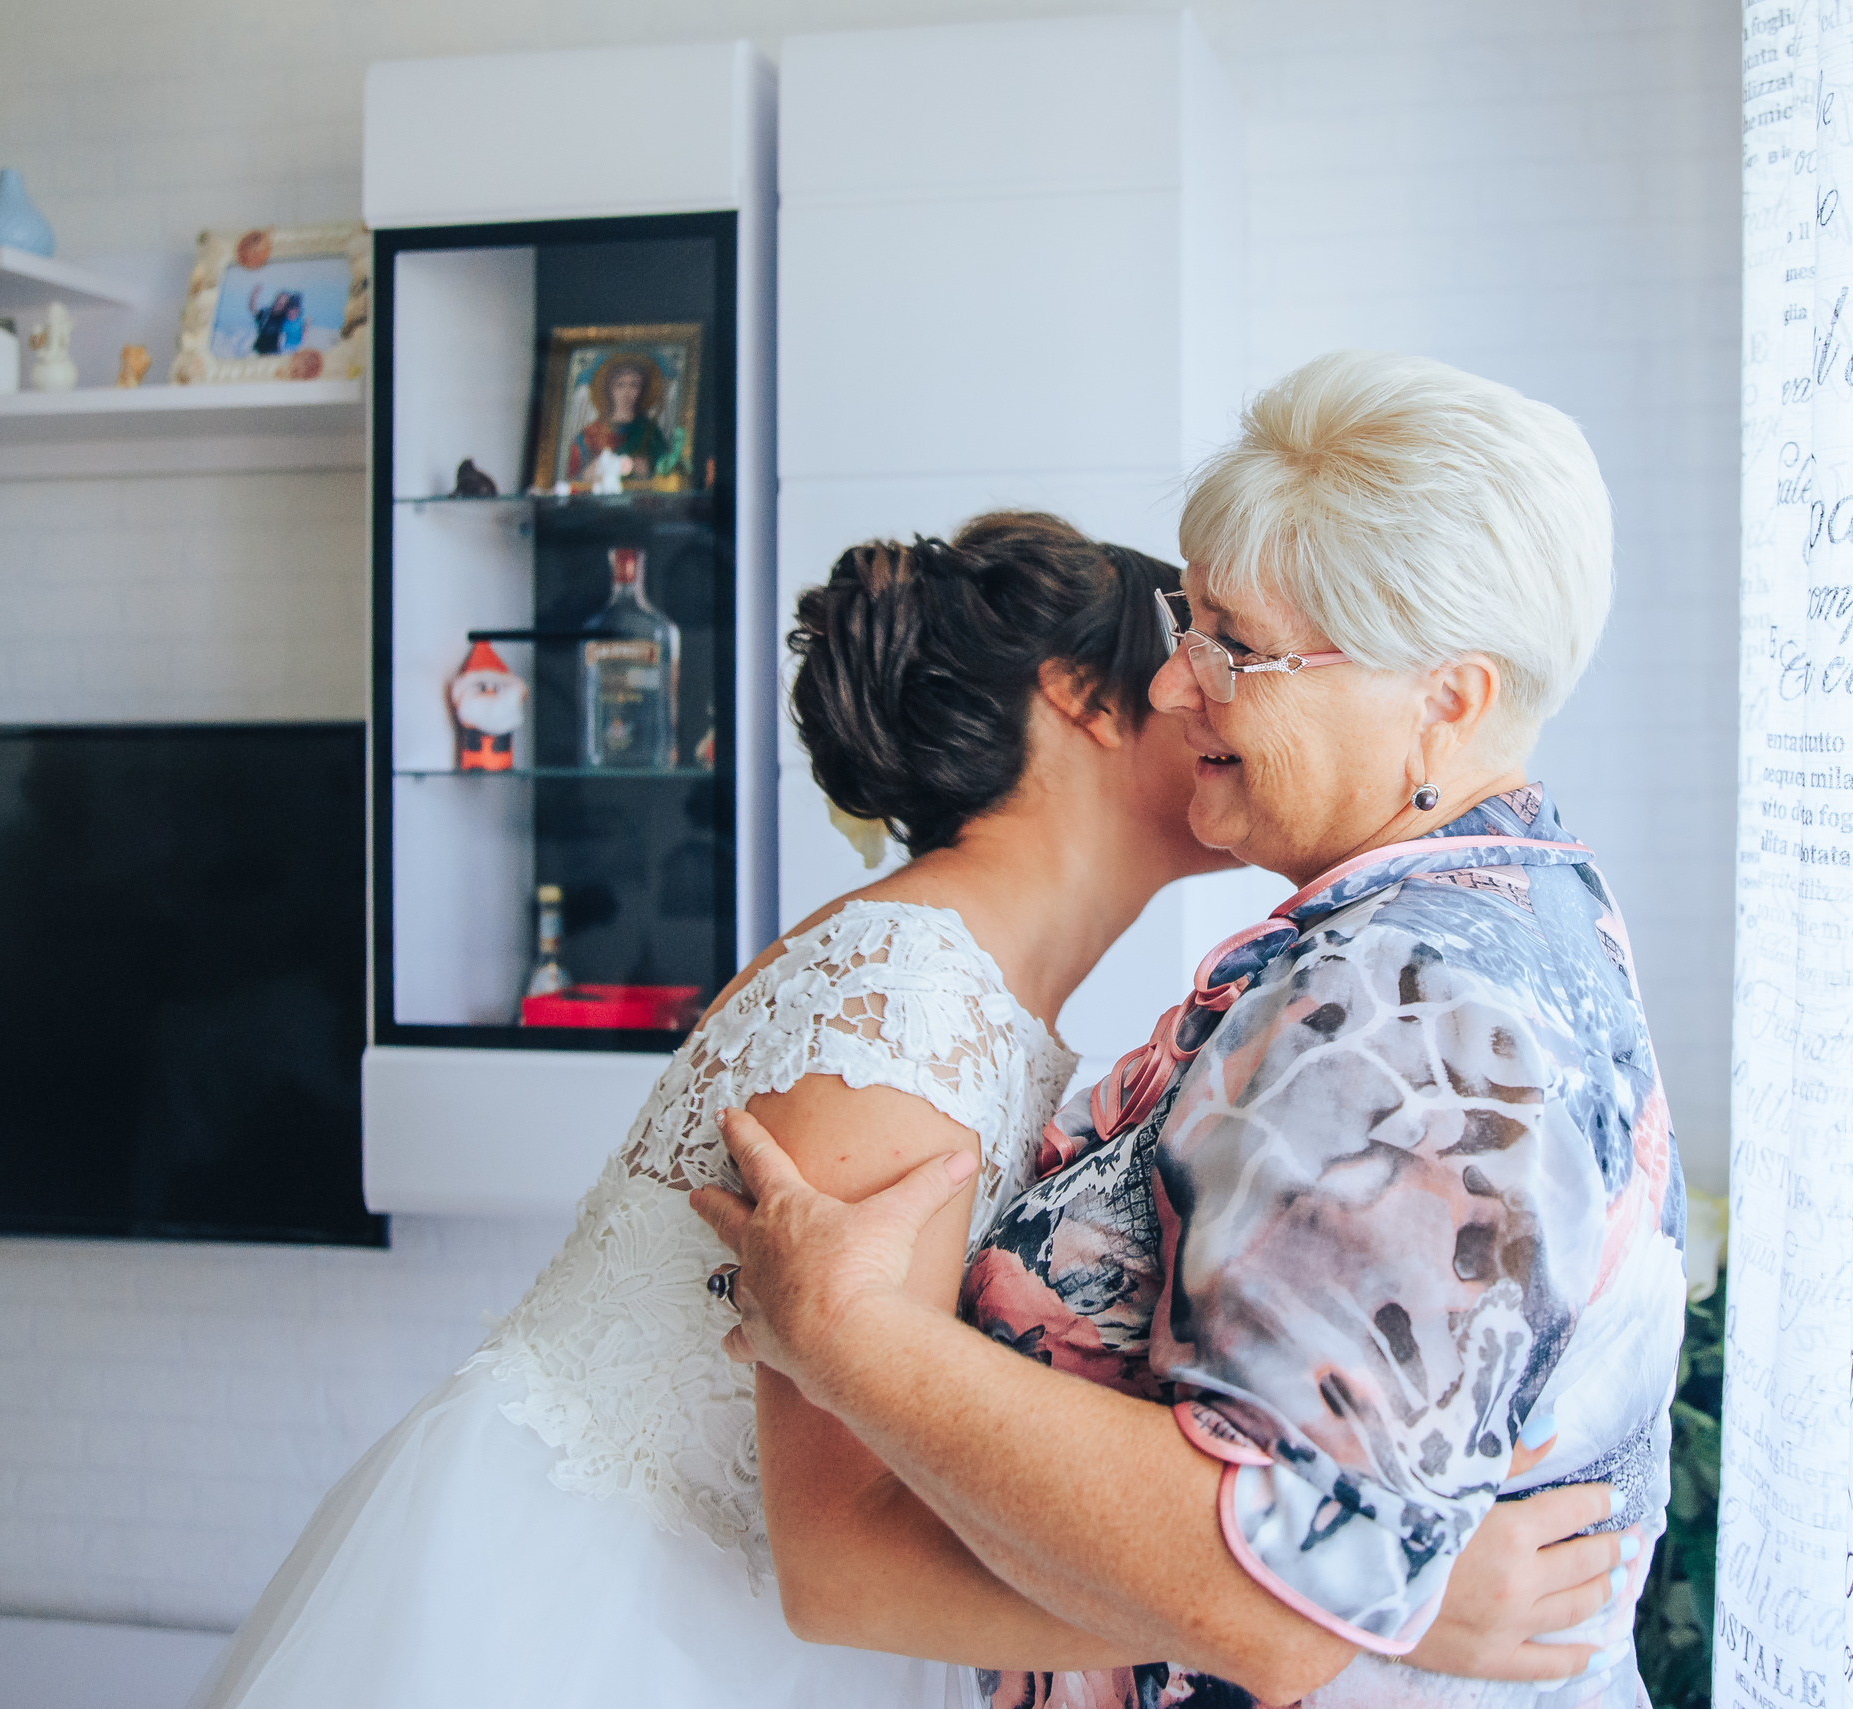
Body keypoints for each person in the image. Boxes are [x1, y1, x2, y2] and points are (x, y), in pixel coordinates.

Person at [195, 511, 1631, 1709]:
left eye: (1233, 656)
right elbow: (844, 1567)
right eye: (1188, 650)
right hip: (586, 1627)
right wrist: (1370, 1603)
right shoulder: (899, 1007)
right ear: (1077, 694)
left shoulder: (975, 1000)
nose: (1213, 694)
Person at [696, 352, 1686, 1707]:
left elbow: (1284, 1593)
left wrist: (848, 1331)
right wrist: (1406, 1597)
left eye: (1241, 646)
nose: (1179, 683)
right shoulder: (1475, 915)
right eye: (1189, 621)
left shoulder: (1418, 998)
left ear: (1444, 701)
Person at [566, 352, 671, 483]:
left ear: (641, 389)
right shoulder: (589, 435)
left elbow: (667, 472)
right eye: (619, 385)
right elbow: (569, 478)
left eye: (633, 385)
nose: (626, 392)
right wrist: (587, 474)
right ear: (609, 389)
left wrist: (648, 469)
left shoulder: (650, 433)